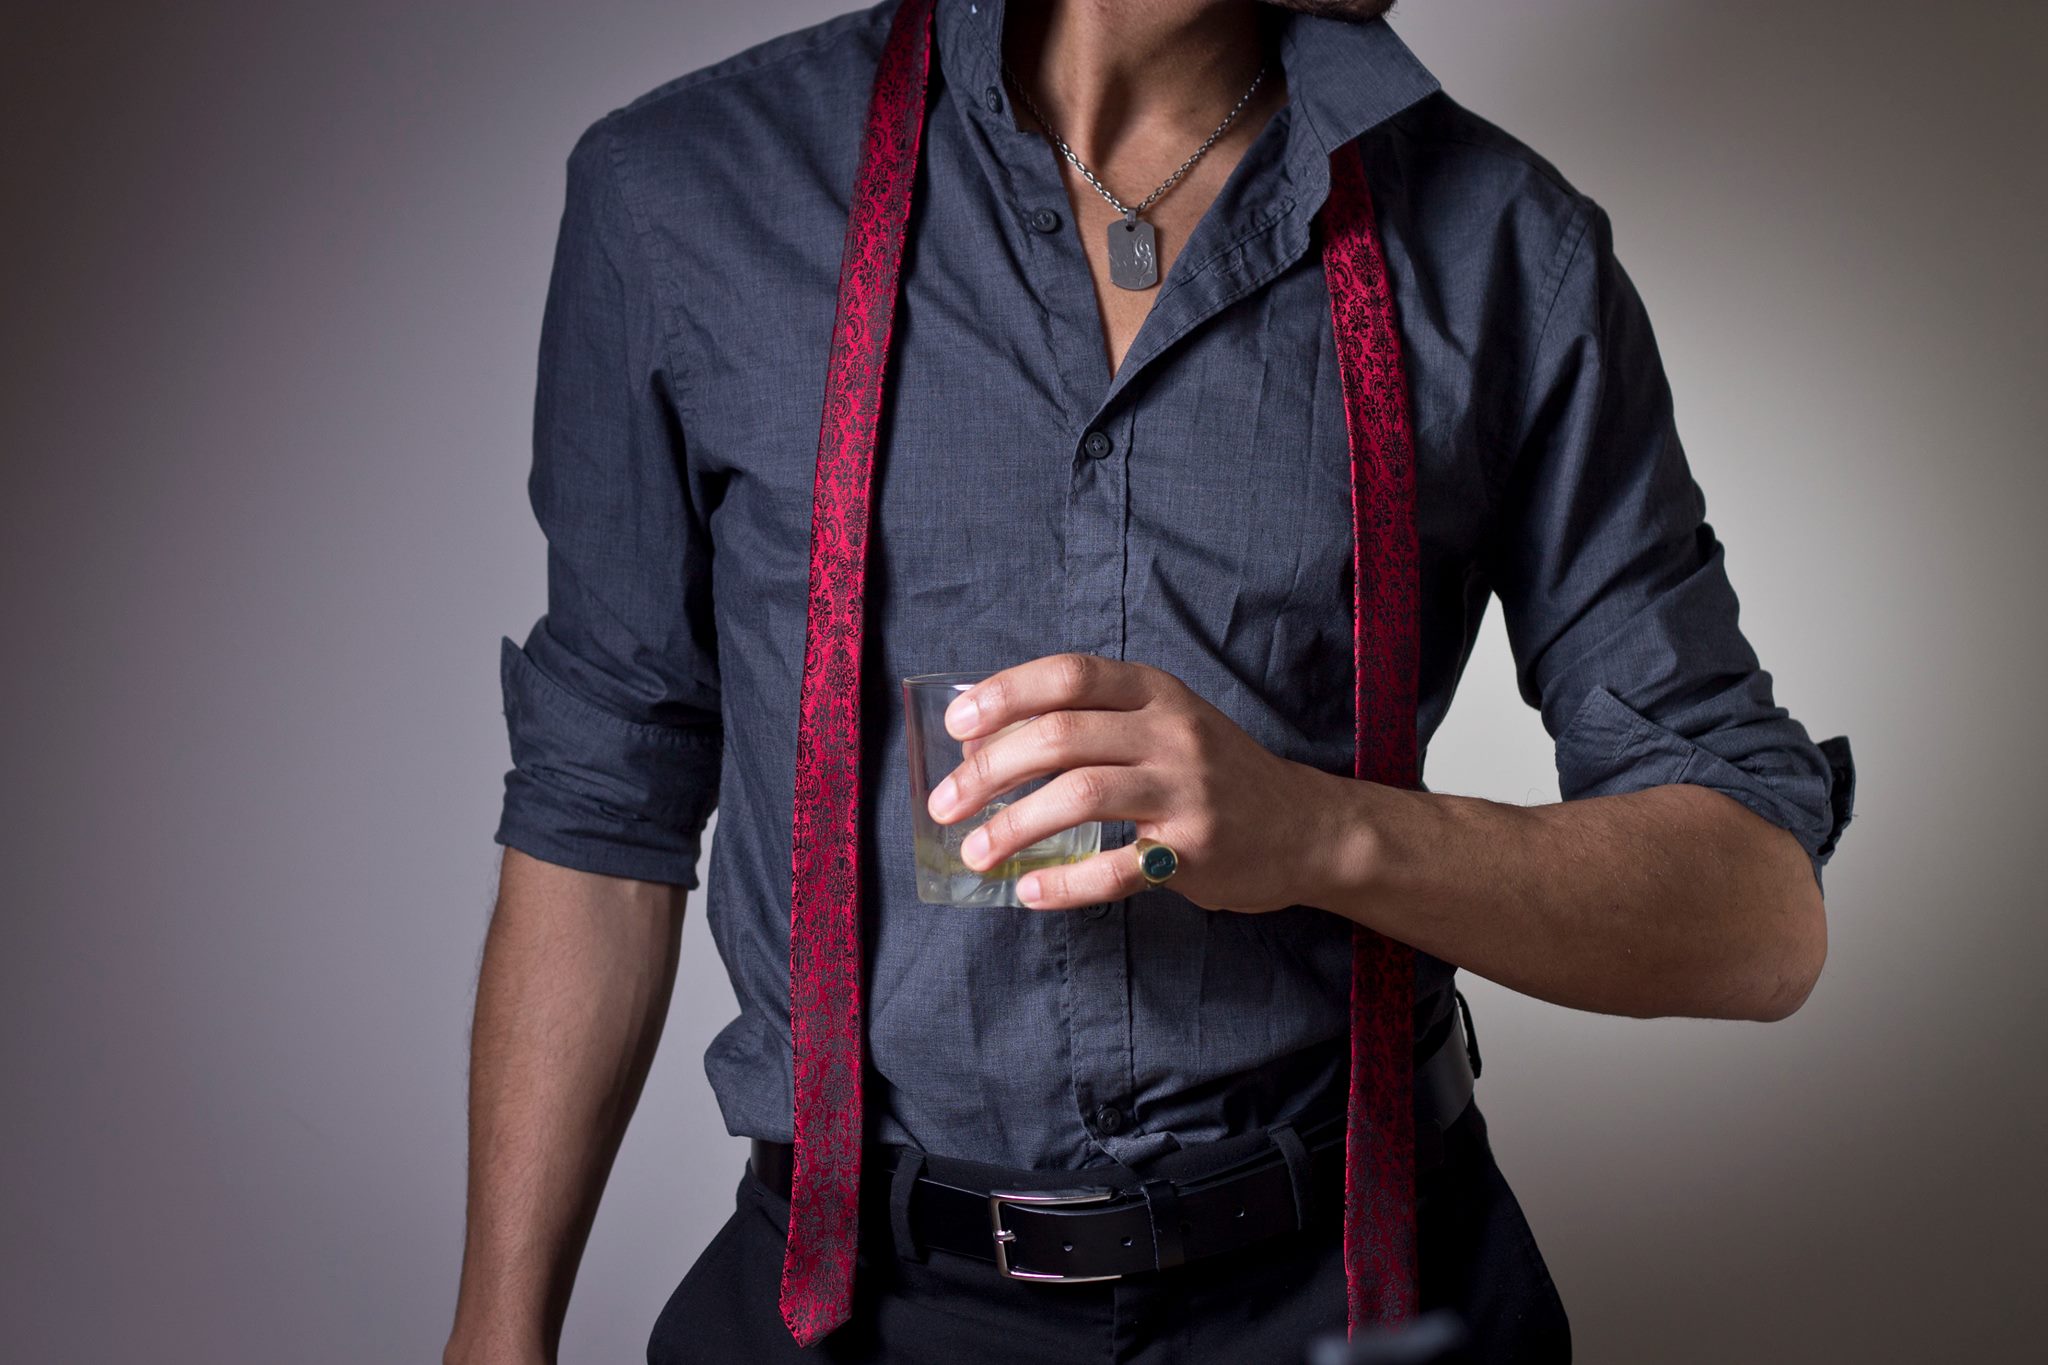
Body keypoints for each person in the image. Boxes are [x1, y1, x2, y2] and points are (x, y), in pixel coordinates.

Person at [442, 1, 1857, 1362]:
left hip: (1355, 1292)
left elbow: (1760, 920)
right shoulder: (687, 195)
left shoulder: (1505, 245)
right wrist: (496, 1333)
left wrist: (1320, 830)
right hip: (849, 1309)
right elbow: (602, 807)